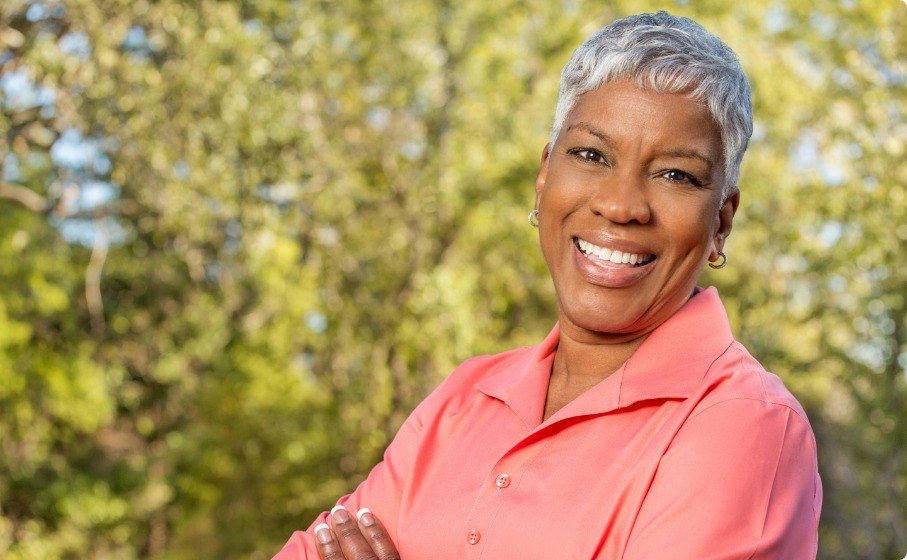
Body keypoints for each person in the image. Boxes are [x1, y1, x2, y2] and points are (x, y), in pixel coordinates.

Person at [273, 11, 822, 560]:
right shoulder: (465, 398)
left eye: (675, 174)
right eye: (590, 155)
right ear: (543, 178)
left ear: (721, 221)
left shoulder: (744, 426)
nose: (620, 205)